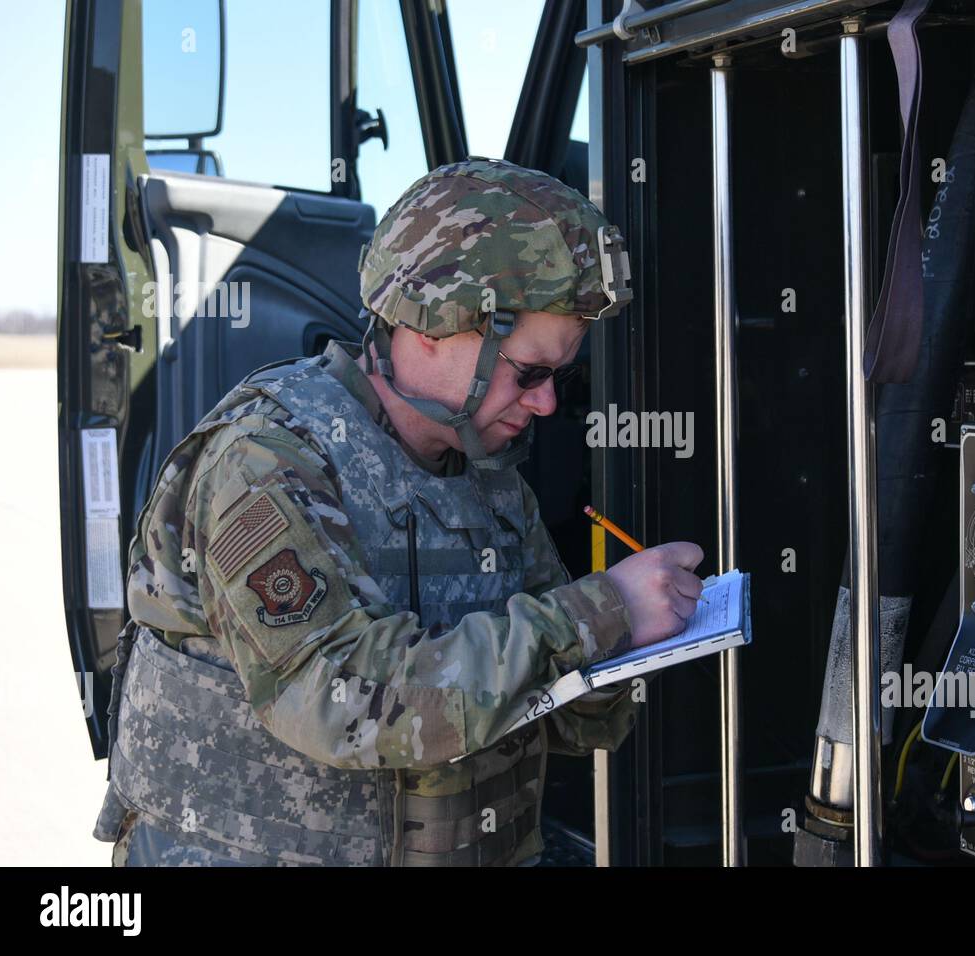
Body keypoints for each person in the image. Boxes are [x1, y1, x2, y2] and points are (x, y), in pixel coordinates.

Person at [93, 159, 705, 866]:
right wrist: (596, 613)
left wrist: (625, 647)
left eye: (556, 378)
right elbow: (336, 699)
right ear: (433, 324)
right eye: (529, 373)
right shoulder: (265, 461)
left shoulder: (488, 476)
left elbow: (556, 709)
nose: (545, 404)